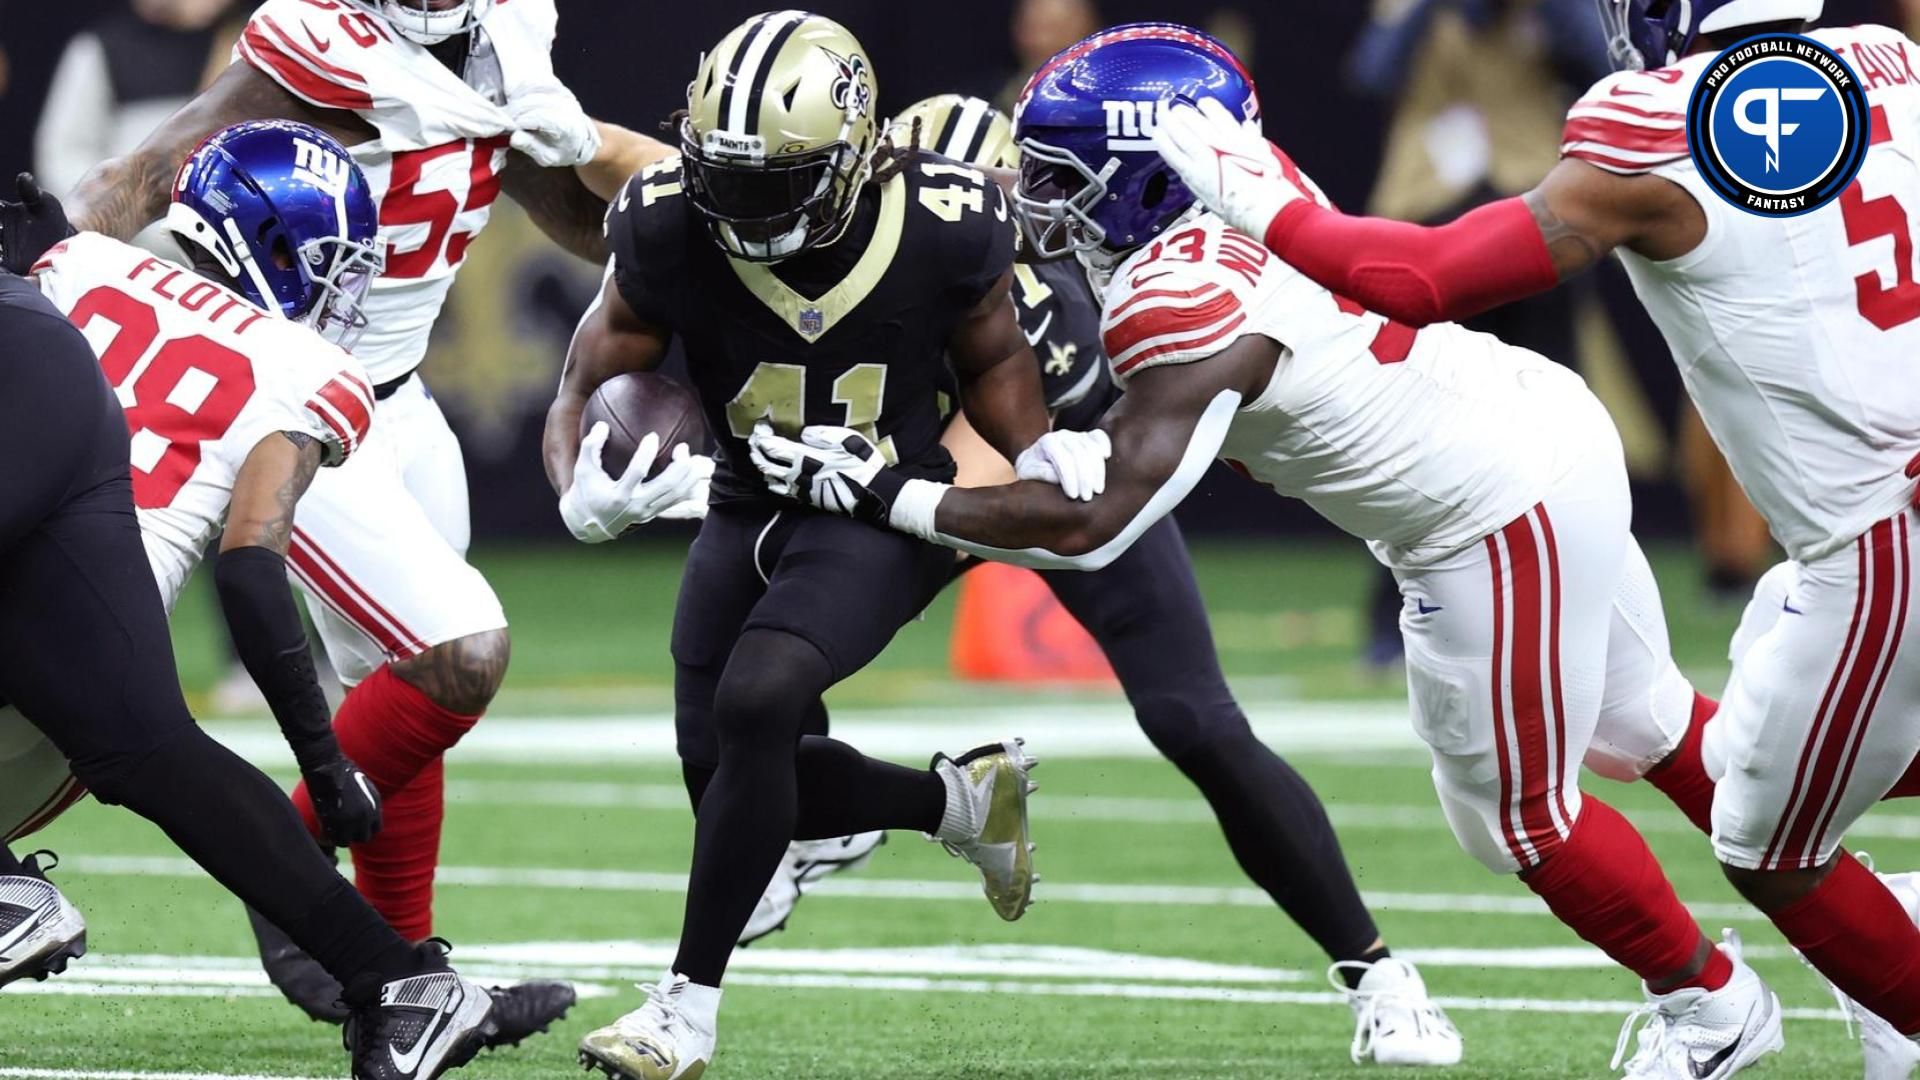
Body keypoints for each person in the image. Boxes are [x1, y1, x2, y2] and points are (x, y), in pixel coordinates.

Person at [750, 24, 1788, 1079]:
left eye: (1061, 178)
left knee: (1514, 821)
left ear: (1145, 181)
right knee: (1641, 723)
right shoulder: (1234, 179)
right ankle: (1844, 899)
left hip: (1486, 509)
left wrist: (893, 494)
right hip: (1524, 429)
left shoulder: (1180, 300)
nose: (1038, 201)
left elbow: (1090, 524)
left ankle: (1710, 1006)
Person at [1151, 1, 1920, 1073]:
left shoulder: (1657, 120)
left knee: (1767, 840)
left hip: (1875, 550)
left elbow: (1420, 280)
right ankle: (1876, 942)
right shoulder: (1889, 61)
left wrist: (1264, 202)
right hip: (1857, 530)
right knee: (1759, 720)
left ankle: (1841, 984)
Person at [743, 91, 1461, 1068]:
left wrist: (871, 489)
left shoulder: (1050, 292)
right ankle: (818, 818)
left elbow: (980, 476)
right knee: (770, 624)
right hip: (931, 477)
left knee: (1195, 722)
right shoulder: (859, 255)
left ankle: (1378, 972)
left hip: (1067, 495)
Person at [31, 0, 666, 1030]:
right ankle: (291, 866)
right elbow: (140, 176)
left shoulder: (504, 41)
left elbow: (582, 223)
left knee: (406, 698)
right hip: (295, 405)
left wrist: (615, 169)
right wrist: (34, 276)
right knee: (454, 656)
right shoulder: (322, 43)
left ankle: (407, 977)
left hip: (402, 403)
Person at [543, 13, 1116, 1078]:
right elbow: (586, 376)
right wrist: (575, 485)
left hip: (873, 509)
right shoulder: (670, 220)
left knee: (758, 703)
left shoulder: (946, 220)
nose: (746, 208)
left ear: (856, 154)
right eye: (728, 176)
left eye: (778, 182)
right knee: (729, 768)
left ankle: (683, 1013)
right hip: (741, 499)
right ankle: (957, 801)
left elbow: (992, 360)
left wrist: (1037, 446)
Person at [0, 136, 495, 1080]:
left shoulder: (79, 259)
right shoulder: (306, 370)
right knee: (155, 752)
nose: (348, 294)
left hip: (43, 603)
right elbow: (251, 575)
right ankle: (397, 981)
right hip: (105, 632)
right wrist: (326, 763)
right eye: (337, 266)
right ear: (275, 247)